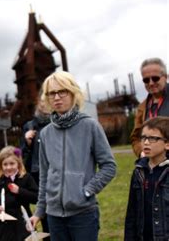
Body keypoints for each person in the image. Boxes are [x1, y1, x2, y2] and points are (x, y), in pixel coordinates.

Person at [28, 71, 117, 241]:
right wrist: (39, 211)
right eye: (52, 93)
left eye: (62, 91)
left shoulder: (90, 126)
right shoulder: (45, 133)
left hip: (83, 214)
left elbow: (109, 166)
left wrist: (86, 191)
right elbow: (44, 176)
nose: (57, 97)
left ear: (73, 93)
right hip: (54, 217)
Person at [124, 116, 169, 241]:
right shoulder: (139, 171)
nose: (146, 142)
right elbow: (132, 213)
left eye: (153, 138)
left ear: (167, 144)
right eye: (143, 138)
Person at [0, 146, 38, 241]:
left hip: (24, 224)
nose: (8, 167)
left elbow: (36, 197)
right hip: (5, 227)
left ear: (18, 164)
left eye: (12, 163)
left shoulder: (26, 178)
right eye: (5, 164)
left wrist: (20, 191)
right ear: (1, 165)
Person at [20, 98, 51, 240]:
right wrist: (27, 141)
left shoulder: (55, 124)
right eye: (42, 103)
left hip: (54, 170)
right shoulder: (29, 126)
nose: (44, 105)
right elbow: (22, 154)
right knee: (43, 207)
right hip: (36, 172)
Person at [130, 58, 169, 157]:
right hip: (155, 167)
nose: (151, 83)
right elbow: (135, 137)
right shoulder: (142, 107)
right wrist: (142, 153)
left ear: (166, 77)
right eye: (146, 80)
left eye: (155, 78)